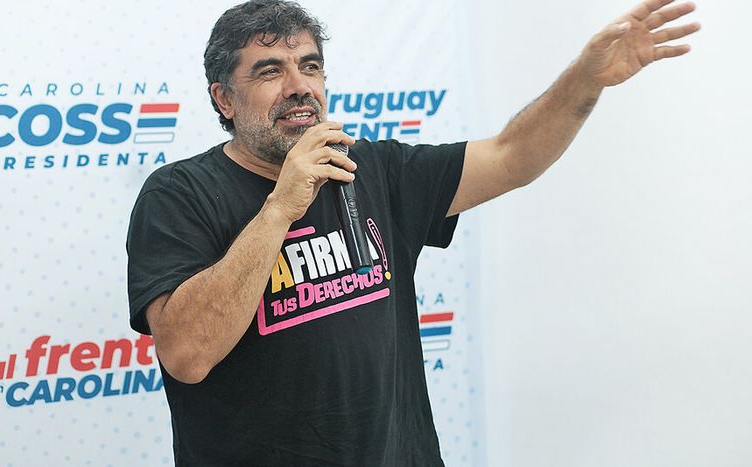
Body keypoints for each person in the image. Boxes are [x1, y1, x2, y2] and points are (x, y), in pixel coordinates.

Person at [126, 0, 699, 464]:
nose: (299, 86)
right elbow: (187, 354)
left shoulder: (374, 169)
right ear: (223, 98)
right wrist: (279, 209)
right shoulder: (178, 195)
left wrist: (586, 79)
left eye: (310, 65)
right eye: (270, 71)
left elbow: (513, 156)